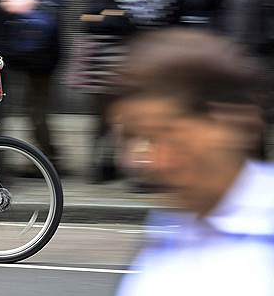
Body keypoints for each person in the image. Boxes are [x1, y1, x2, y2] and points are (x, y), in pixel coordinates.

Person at [113, 29, 273, 295]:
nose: (152, 163)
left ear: (230, 122)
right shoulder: (168, 232)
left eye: (170, 137)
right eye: (138, 140)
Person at [0, 0, 63, 164]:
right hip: (37, 55)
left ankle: (48, 158)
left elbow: (44, 18)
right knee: (34, 107)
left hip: (39, 55)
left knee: (36, 108)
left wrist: (19, 5)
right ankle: (45, 156)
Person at [73, 0, 133, 182]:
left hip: (115, 63)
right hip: (97, 65)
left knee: (114, 117)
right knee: (101, 117)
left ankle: (108, 164)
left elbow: (123, 23)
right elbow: (84, 23)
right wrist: (105, 17)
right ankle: (102, 165)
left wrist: (100, 18)